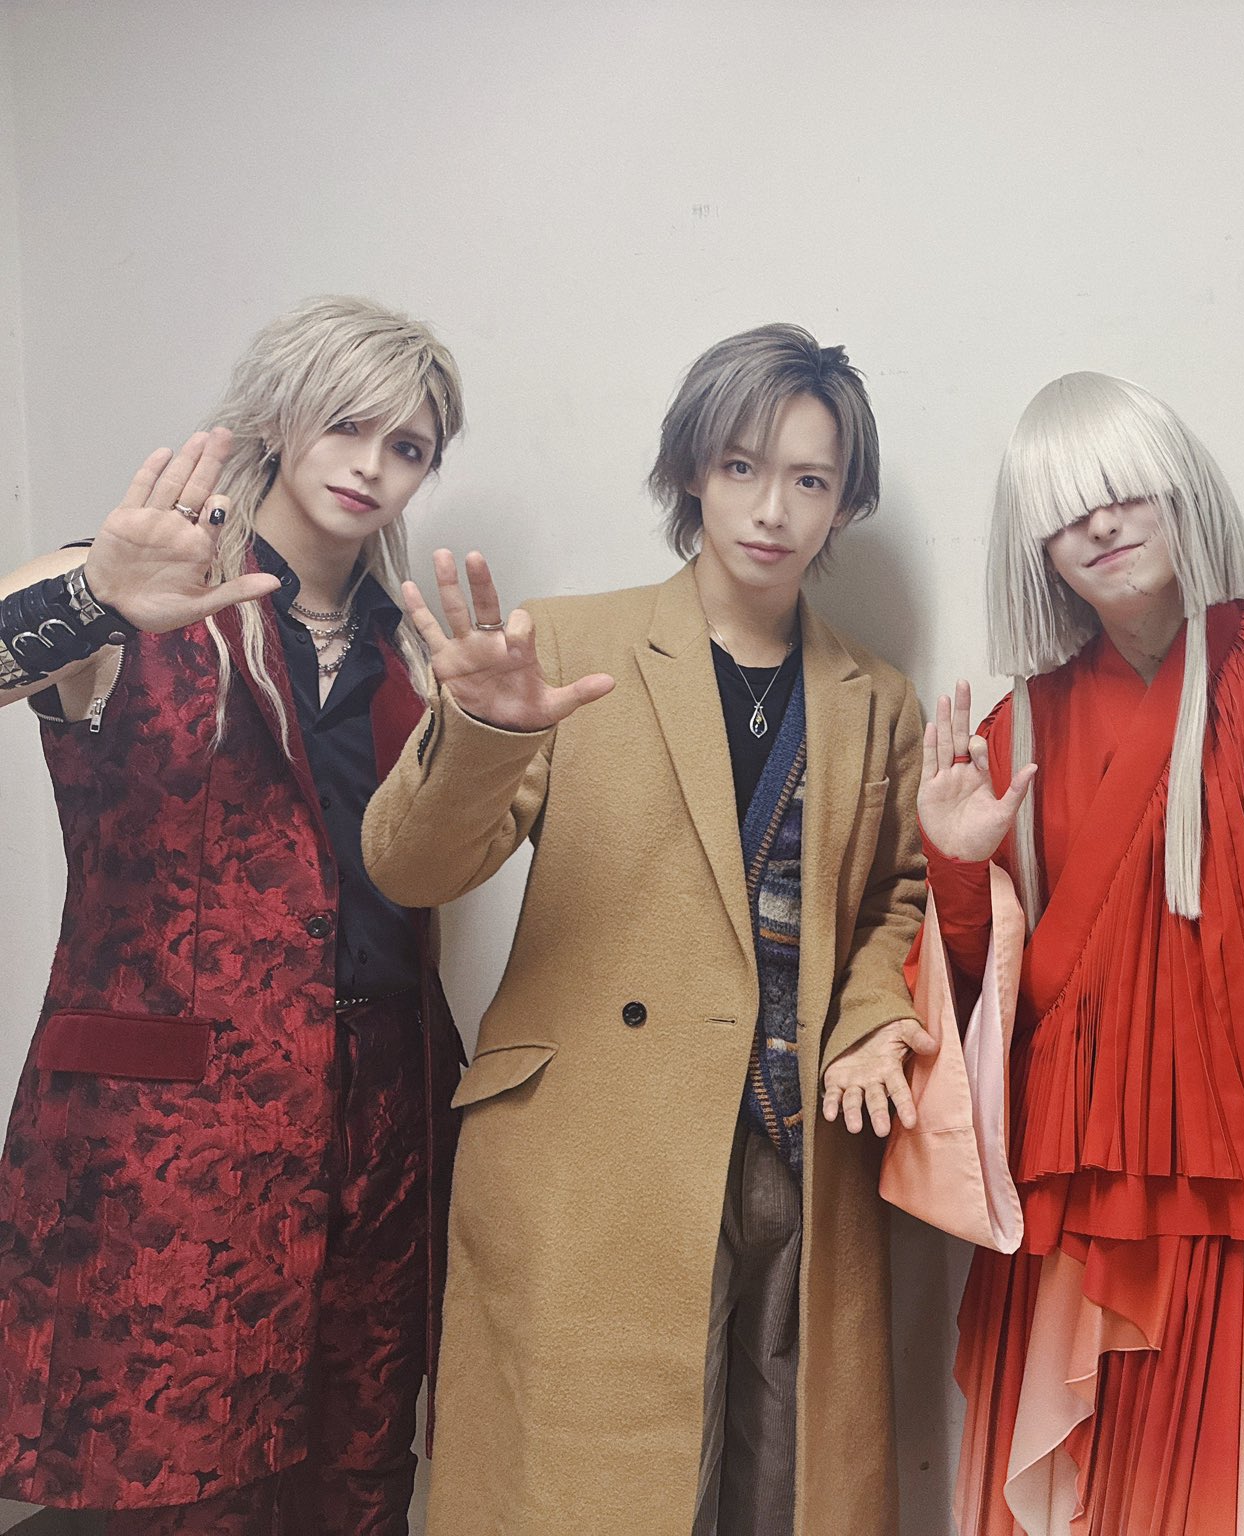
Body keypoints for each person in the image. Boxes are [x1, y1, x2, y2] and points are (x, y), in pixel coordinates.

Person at [359, 323, 928, 1536]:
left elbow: (897, 893)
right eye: (740, 466)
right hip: (594, 1144)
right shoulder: (562, 647)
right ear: (689, 471)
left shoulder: (876, 698)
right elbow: (413, 867)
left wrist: (873, 1015)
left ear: (843, 503)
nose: (769, 508)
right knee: (589, 1492)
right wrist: (486, 734)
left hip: (795, 1151)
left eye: (809, 479)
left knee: (781, 1493)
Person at [910, 371, 1244, 1536]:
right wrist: (955, 865)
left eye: (1124, 490)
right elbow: (982, 1008)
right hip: (1069, 1215)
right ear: (1035, 547)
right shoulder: (1019, 728)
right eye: (1064, 509)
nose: (1099, 524)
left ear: (1181, 489)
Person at [0, 296, 467, 1534]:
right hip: (169, 1135)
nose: (372, 465)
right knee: (179, 1474)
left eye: (408, 445)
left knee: (359, 1466)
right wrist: (94, 598)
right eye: (347, 424)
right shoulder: (134, 588)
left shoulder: (417, 649)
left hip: (384, 1111)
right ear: (280, 416)